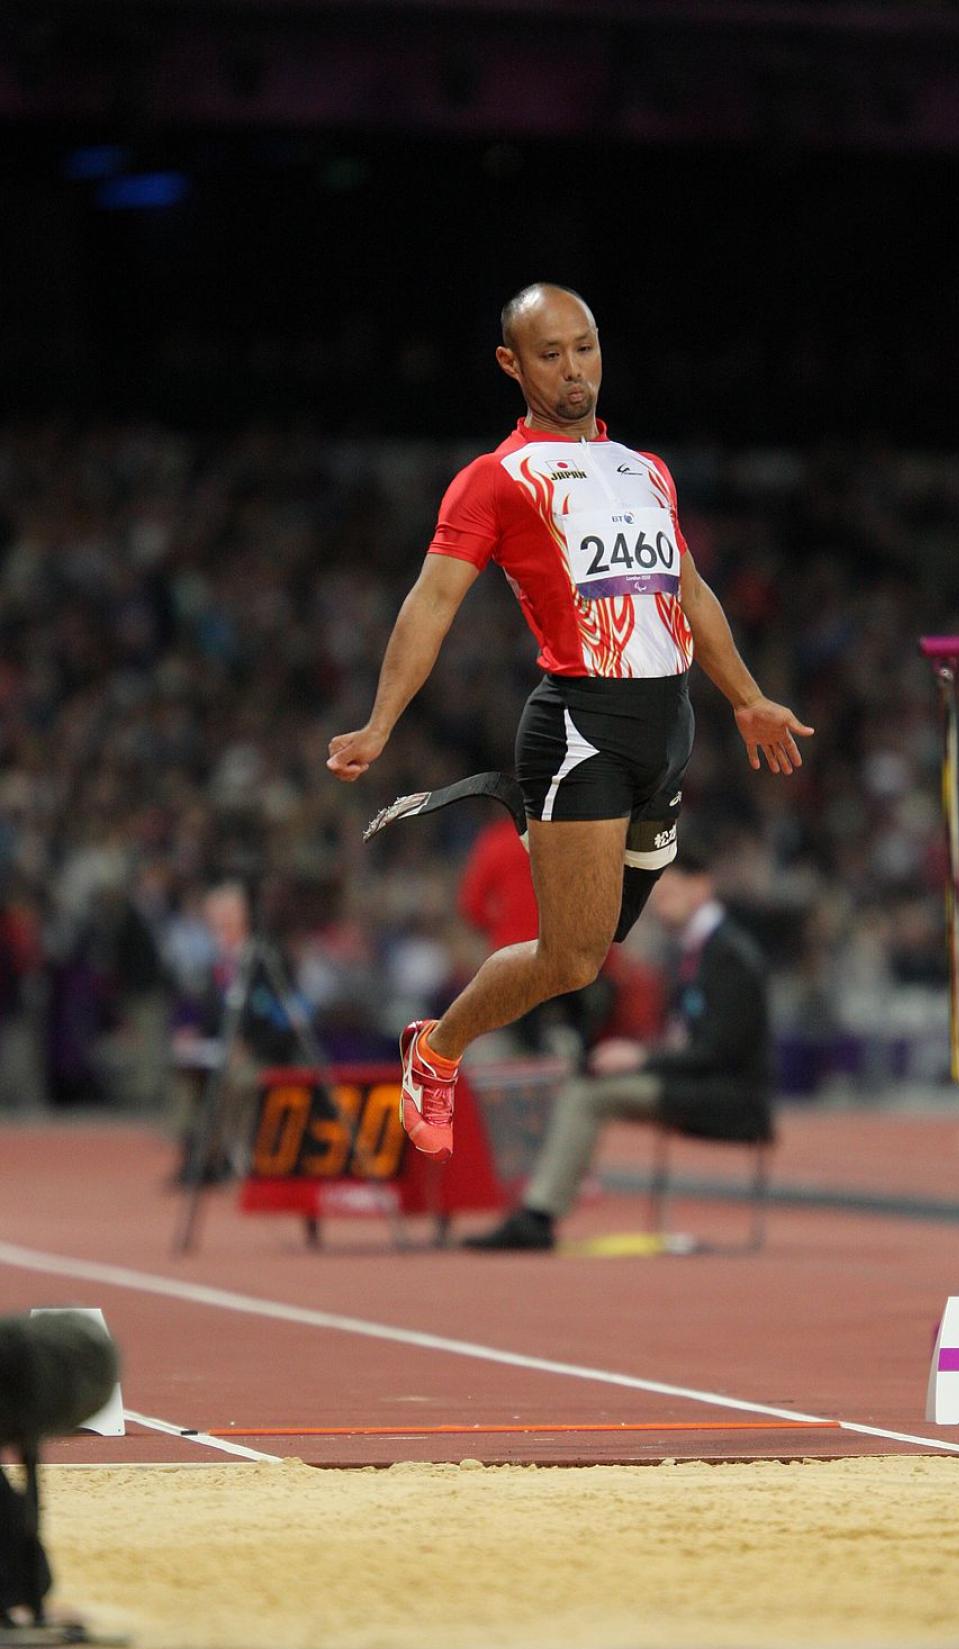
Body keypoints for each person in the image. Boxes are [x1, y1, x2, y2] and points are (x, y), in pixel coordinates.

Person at [327, 282, 810, 1160]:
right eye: (550, 354)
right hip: (580, 724)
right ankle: (434, 1052)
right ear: (512, 364)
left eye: (584, 346)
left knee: (592, 949)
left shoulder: (644, 468)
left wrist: (746, 696)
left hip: (667, 730)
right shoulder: (495, 479)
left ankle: (456, 1031)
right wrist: (379, 723)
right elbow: (430, 603)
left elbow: (689, 593)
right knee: (568, 958)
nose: (573, 368)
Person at [463, 836, 771, 1249]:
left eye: (668, 894)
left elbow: (719, 1051)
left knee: (588, 1092)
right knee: (586, 1080)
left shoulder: (729, 954)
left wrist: (641, 1059)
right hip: (698, 1080)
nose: (658, 906)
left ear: (701, 887)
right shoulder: (697, 948)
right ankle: (538, 1207)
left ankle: (538, 1214)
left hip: (729, 1095)